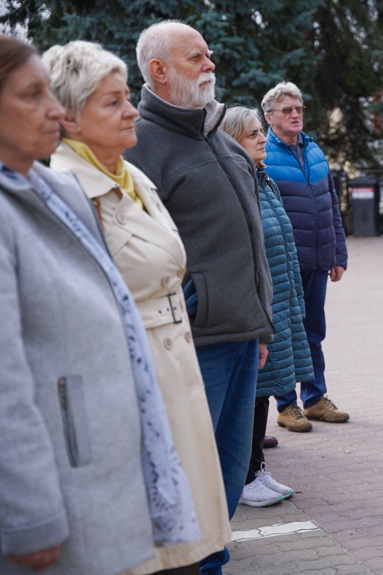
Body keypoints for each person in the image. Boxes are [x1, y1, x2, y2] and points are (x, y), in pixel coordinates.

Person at [0, 35, 196, 575]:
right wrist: (29, 515)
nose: (53, 110)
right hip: (60, 481)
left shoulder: (49, 193)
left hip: (108, 463)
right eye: (32, 95)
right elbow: (6, 385)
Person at [42, 40, 231, 574]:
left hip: (176, 371)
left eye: (127, 97)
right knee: (152, 553)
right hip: (130, 390)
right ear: (70, 118)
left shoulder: (131, 175)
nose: (131, 111)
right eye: (112, 102)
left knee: (190, 543)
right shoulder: (66, 193)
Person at [123, 21, 274, 574]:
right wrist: (192, 309)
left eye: (209, 55)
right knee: (188, 474)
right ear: (158, 70)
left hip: (241, 338)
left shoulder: (216, 132)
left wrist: (261, 325)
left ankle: (212, 558)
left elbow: (251, 240)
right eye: (196, 58)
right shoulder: (139, 143)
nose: (210, 64)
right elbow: (132, 251)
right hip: (191, 344)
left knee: (228, 476)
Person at [222, 106, 314, 507]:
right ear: (231, 142)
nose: (262, 139)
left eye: (262, 131)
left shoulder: (263, 180)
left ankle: (257, 467)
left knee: (264, 391)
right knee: (253, 392)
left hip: (278, 302)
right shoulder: (236, 183)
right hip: (257, 306)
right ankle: (242, 477)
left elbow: (282, 245)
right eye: (252, 134)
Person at [261, 81, 349, 433]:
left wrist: (338, 253)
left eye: (298, 109)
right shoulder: (262, 154)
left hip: (317, 259)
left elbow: (332, 206)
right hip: (283, 264)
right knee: (284, 333)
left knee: (313, 331)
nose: (295, 115)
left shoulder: (314, 151)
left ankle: (314, 399)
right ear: (269, 116)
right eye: (287, 110)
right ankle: (287, 405)